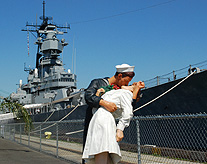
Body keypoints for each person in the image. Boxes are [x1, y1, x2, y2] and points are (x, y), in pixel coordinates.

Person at [82, 81, 145, 164]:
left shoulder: (126, 93)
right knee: (102, 149)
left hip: (101, 120)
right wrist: (97, 94)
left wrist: (120, 130)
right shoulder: (118, 92)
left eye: (131, 86)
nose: (131, 84)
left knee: (102, 149)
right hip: (104, 120)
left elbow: (128, 112)